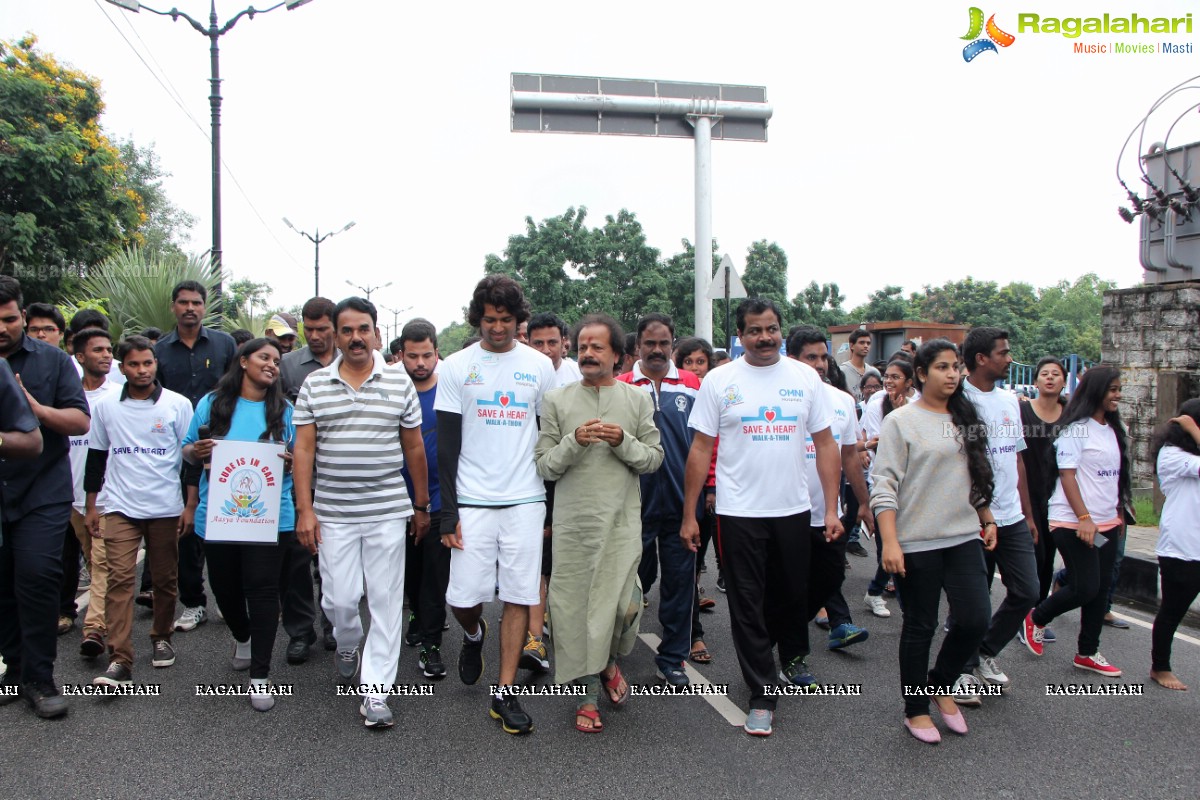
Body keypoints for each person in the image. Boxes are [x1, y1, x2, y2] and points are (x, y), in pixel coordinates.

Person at [680, 298, 844, 737]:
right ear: (740, 336)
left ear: (781, 331)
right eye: (755, 330)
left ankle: (771, 653)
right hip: (738, 513)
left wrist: (830, 507)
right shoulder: (720, 381)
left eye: (772, 329)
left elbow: (826, 445)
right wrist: (689, 514)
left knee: (792, 596)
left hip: (794, 510)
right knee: (747, 602)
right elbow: (700, 449)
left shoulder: (805, 378)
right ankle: (761, 691)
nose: (765, 338)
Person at [293, 297, 429, 728]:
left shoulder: (398, 382)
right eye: (347, 330)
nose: (356, 337)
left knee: (387, 602)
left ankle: (376, 694)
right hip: (332, 511)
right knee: (339, 599)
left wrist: (421, 506)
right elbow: (304, 449)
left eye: (363, 329)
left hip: (388, 509)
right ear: (335, 334)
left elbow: (414, 446)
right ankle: (348, 641)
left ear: (376, 334)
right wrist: (304, 511)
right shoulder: (314, 385)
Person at [435, 275, 555, 735]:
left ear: (518, 320)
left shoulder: (540, 366)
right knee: (463, 598)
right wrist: (449, 511)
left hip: (526, 498)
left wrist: (551, 502)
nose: (498, 328)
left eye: (506, 319)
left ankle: (504, 693)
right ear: (477, 319)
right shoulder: (457, 366)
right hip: (472, 500)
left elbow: (551, 435)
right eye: (490, 319)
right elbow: (447, 445)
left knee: (521, 593)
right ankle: (472, 633)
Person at [536, 314, 663, 732]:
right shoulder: (556, 401)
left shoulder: (637, 400)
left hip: (621, 525)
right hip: (573, 528)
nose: (588, 353)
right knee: (575, 614)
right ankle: (587, 694)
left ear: (617, 355)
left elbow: (653, 458)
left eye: (598, 347)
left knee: (624, 608)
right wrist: (575, 441)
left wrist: (621, 441)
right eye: (583, 346)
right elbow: (546, 467)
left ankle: (609, 661)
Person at [870, 339, 996, 744]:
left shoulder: (965, 417)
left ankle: (940, 683)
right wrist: (890, 541)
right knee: (920, 626)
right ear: (921, 374)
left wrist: (986, 515)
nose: (953, 374)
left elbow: (976, 474)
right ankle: (915, 709)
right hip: (915, 541)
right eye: (943, 367)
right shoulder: (900, 421)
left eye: (956, 367)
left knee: (976, 619)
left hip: (962, 536)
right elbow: (884, 483)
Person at [183, 338, 297, 711]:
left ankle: (261, 676)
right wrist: (195, 451)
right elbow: (185, 449)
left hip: (271, 519)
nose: (272, 365)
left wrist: (293, 462)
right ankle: (242, 635)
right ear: (243, 361)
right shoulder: (211, 405)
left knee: (263, 592)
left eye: (277, 361)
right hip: (218, 519)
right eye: (264, 357)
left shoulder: (287, 412)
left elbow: (300, 459)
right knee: (225, 590)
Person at [0, 276, 90, 719]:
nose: (2, 327)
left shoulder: (53, 361)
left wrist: (38, 412)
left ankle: (40, 677)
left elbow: (79, 421)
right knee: (3, 584)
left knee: (36, 578)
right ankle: (13, 669)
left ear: (23, 315)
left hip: (43, 490)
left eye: (9, 319)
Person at [86, 336, 194, 690]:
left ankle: (161, 636)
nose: (142, 370)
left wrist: (188, 504)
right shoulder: (106, 408)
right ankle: (120, 658)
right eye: (133, 364)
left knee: (164, 579)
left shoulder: (177, 405)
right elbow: (97, 456)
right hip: (119, 506)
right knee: (119, 579)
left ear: (155, 363)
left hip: (165, 507)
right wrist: (91, 505)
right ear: (122, 368)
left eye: (147, 363)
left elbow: (190, 459)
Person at [1020, 366, 1130, 677]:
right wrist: (1084, 517)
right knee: (1085, 587)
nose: (1118, 395)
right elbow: (1067, 475)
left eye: (1119, 389)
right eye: (1112, 390)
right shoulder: (1075, 429)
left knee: (1101, 588)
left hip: (1106, 524)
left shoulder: (1112, 428)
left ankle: (1087, 652)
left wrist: (1118, 512)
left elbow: (1113, 477)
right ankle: (1037, 617)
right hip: (1072, 523)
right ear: (1096, 391)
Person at [951, 328, 1040, 705]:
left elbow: (1015, 457)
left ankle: (986, 652)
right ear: (981, 358)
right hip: (971, 518)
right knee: (974, 601)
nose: (1009, 359)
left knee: (1027, 591)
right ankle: (961, 669)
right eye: (1003, 353)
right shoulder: (957, 401)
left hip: (1013, 516)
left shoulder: (1009, 401)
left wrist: (1030, 514)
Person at [620, 313, 701, 687]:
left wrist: (706, 493)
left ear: (673, 346)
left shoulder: (692, 385)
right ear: (637, 346)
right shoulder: (620, 385)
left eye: (663, 343)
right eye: (649, 343)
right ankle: (613, 653)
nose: (656, 350)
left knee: (681, 583)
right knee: (626, 581)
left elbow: (706, 444)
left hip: (683, 504)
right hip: (632, 503)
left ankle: (672, 659)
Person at [154, 281, 238, 634]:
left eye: (197, 302)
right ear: (173, 306)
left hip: (222, 449)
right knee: (186, 528)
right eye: (184, 302)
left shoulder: (224, 344)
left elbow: (237, 386)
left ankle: (227, 593)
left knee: (227, 520)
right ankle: (193, 602)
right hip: (178, 449)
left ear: (205, 307)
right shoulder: (159, 350)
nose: (190, 308)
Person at [787, 327, 873, 658]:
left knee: (831, 576)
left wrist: (863, 502)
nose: (821, 364)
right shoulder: (782, 400)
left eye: (823, 356)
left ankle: (801, 628)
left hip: (830, 513)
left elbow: (849, 456)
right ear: (792, 360)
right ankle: (793, 651)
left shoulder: (843, 401)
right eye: (811, 357)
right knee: (791, 587)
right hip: (787, 513)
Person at [279, 297, 337, 655]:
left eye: (321, 329)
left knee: (332, 562)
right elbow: (276, 415)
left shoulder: (353, 363)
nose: (314, 336)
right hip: (298, 480)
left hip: (339, 481)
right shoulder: (287, 366)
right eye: (308, 329)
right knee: (297, 561)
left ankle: (335, 625)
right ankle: (300, 632)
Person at [396, 319, 452, 681]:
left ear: (437, 354)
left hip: (439, 498)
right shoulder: (390, 390)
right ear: (400, 355)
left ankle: (431, 644)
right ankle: (415, 612)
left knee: (435, 574)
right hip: (395, 500)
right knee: (409, 571)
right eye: (412, 356)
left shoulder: (451, 391)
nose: (420, 362)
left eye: (426, 355)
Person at [68, 328, 121, 660]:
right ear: (79, 357)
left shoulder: (119, 396)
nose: (106, 355)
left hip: (106, 499)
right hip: (71, 498)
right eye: (98, 350)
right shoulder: (66, 397)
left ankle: (95, 629)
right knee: (94, 562)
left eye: (109, 349)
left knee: (101, 565)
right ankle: (112, 617)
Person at [1149, 400, 1200, 690]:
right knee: (1172, 611)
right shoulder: (1172, 455)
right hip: (1181, 547)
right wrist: (1193, 429)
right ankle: (1160, 666)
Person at [861, 358, 918, 617]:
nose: (889, 381)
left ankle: (881, 591)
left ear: (909, 381)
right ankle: (876, 593)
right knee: (888, 542)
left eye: (896, 377)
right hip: (883, 481)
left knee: (906, 543)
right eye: (888, 376)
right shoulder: (877, 404)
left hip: (914, 483)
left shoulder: (919, 404)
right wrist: (897, 417)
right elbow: (877, 443)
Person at [1019, 357, 1067, 642]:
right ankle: (1022, 613)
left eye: (1056, 374)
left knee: (1049, 557)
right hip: (1027, 495)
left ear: (1063, 380)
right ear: (1035, 381)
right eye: (1044, 374)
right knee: (1033, 557)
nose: (1050, 378)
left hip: (1060, 496)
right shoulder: (1021, 411)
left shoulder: (1072, 414)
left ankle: (1034, 615)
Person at [840, 329, 880, 403]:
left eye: (868, 343)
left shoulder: (874, 372)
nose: (866, 346)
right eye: (862, 343)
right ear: (852, 346)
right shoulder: (842, 371)